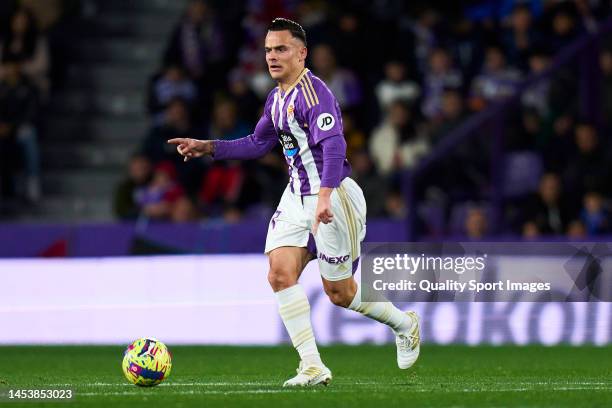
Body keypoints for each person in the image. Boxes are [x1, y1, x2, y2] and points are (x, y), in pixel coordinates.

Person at [168, 18, 420, 387]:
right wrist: (210, 147)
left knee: (340, 293)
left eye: (281, 49)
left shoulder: (314, 94)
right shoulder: (276, 98)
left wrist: (324, 196)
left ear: (302, 53)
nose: (272, 56)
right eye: (268, 49)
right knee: (279, 273)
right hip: (296, 195)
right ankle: (312, 365)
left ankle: (404, 323)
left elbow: (335, 145)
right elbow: (257, 143)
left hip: (334, 198)